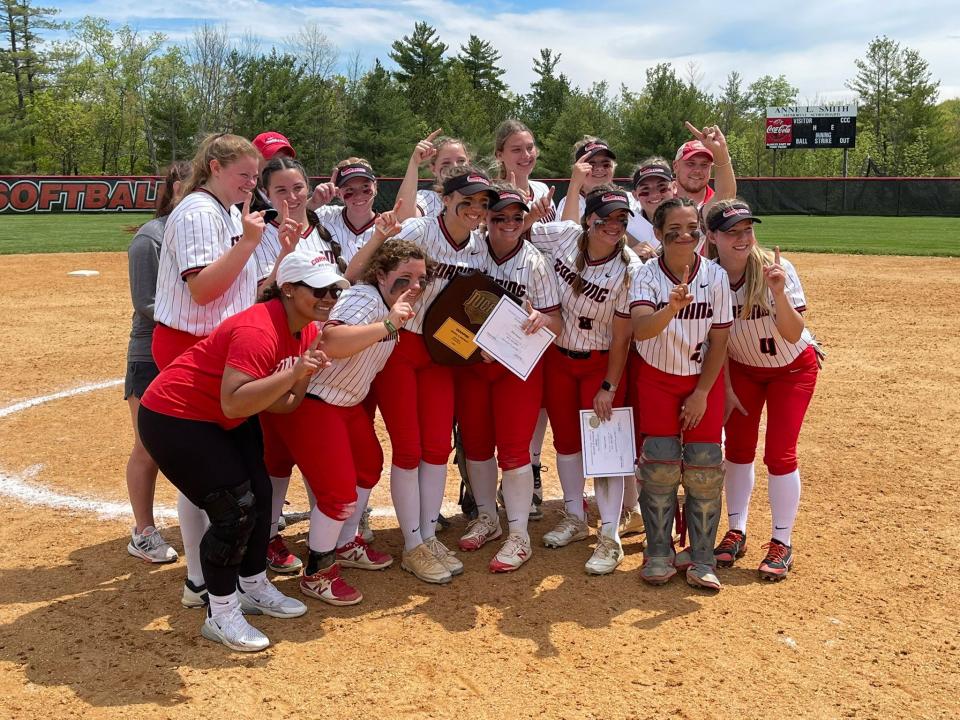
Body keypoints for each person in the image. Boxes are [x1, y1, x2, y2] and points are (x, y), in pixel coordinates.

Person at [138, 249, 332, 652]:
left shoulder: (307, 329)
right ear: (289, 289)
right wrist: (296, 373)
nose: (329, 297)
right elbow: (234, 402)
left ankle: (253, 585)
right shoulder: (258, 330)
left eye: (334, 289)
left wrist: (298, 378)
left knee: (261, 497)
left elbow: (283, 404)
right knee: (235, 510)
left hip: (222, 416)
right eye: (319, 289)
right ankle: (219, 611)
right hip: (174, 416)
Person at [153, 133, 299, 609]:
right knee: (207, 474)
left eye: (256, 177)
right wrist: (252, 240)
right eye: (245, 175)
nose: (252, 185)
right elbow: (203, 291)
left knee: (239, 470)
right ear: (215, 167)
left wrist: (276, 254)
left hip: (221, 345)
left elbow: (246, 290)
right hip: (192, 346)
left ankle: (244, 580)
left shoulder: (225, 211)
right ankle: (199, 577)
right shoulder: (198, 211)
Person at [261, 236, 430, 602]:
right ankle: (318, 572)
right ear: (381, 274)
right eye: (406, 277)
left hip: (343, 404)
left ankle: (344, 542)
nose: (415, 286)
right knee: (337, 493)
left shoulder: (388, 303)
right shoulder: (365, 299)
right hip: (316, 402)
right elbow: (331, 341)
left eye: (421, 278)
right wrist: (387, 324)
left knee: (368, 464)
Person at [364, 164, 496, 584]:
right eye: (467, 200)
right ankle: (412, 544)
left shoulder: (478, 244)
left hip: (442, 351)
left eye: (482, 202)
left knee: (437, 447)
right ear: (445, 198)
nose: (475, 209)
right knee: (407, 447)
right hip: (402, 345)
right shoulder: (419, 231)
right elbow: (375, 273)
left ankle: (426, 534)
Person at [526, 185, 640, 575]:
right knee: (567, 442)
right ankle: (575, 515)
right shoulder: (562, 234)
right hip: (558, 357)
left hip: (599, 363)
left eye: (621, 220)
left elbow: (623, 336)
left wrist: (609, 386)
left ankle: (609, 533)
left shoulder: (628, 268)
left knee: (606, 449)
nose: (613, 226)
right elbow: (520, 234)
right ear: (588, 218)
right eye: (605, 217)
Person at [705, 199, 819, 581]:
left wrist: (779, 292)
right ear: (713, 236)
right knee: (737, 450)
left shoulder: (776, 268)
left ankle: (781, 541)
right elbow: (713, 339)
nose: (742, 238)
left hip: (791, 369)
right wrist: (726, 385)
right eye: (731, 231)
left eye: (747, 230)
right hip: (743, 371)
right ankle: (736, 530)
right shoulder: (710, 276)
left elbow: (792, 332)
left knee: (780, 453)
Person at [454, 184, 562, 572]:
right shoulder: (469, 250)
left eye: (517, 217)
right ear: (486, 218)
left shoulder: (535, 261)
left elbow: (558, 321)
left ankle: (519, 534)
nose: (509, 224)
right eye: (500, 217)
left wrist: (543, 319)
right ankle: (488, 517)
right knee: (478, 446)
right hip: (472, 362)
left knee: (515, 451)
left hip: (517, 368)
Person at [629, 197, 733, 590]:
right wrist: (670, 308)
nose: (685, 236)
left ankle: (701, 555)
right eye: (674, 230)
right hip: (657, 377)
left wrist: (703, 392)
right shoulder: (646, 276)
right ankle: (659, 550)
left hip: (699, 379)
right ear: (658, 233)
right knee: (659, 466)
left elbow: (720, 340)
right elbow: (641, 331)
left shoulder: (715, 277)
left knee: (705, 468)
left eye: (693, 228)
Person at [124, 161, 190, 563]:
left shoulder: (213, 229)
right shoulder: (152, 237)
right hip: (152, 352)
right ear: (174, 187)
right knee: (148, 445)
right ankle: (143, 531)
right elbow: (146, 303)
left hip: (195, 347)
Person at [493, 120, 556, 513]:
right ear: (500, 153)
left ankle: (529, 467)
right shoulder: (491, 189)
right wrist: (528, 217)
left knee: (537, 398)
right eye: (516, 149)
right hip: (498, 300)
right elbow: (498, 234)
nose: (525, 155)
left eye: (530, 147)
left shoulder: (546, 192)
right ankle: (477, 478)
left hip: (541, 297)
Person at [397, 129, 471, 218]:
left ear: (469, 163)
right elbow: (403, 217)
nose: (455, 167)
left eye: (461, 161)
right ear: (433, 169)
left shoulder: (483, 196)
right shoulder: (429, 199)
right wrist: (414, 162)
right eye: (446, 163)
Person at [672, 122, 736, 213]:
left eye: (704, 164)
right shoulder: (660, 199)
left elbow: (726, 197)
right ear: (675, 166)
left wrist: (722, 155)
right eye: (690, 163)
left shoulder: (715, 203)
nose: (697, 170)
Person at [557, 137, 619, 222]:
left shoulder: (629, 198)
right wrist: (574, 184)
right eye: (591, 165)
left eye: (606, 164)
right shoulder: (568, 202)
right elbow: (566, 231)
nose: (599, 169)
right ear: (577, 170)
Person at [626, 159, 676, 261]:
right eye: (645, 190)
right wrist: (630, 254)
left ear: (675, 186)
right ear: (635, 195)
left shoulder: (691, 219)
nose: (654, 194)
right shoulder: (626, 224)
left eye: (661, 187)